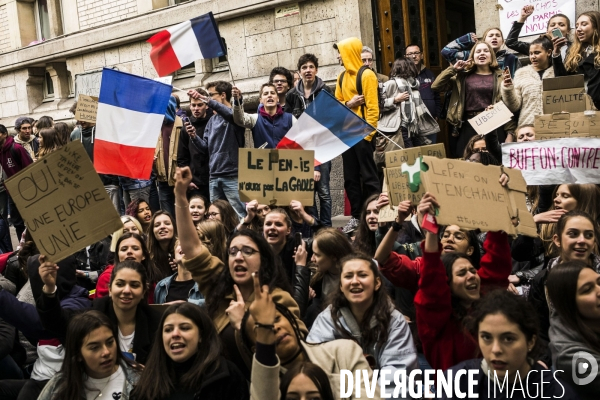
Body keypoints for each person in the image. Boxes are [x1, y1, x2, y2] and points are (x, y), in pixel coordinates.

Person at [173, 166, 305, 380]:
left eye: (248, 251)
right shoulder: (218, 284)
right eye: (233, 252)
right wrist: (180, 194)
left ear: (263, 260)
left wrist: (246, 324)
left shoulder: (279, 301)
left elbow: (295, 362)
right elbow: (192, 248)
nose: (239, 257)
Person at [245, 273, 383, 399]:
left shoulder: (344, 352)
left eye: (276, 319)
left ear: (291, 320)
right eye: (262, 329)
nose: (274, 328)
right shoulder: (265, 389)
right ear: (256, 350)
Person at [414, 192, 512, 371]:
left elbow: (496, 265)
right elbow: (432, 284)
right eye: (461, 273)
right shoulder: (436, 322)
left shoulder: (486, 303)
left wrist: (497, 206)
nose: (471, 276)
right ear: (447, 285)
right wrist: (430, 225)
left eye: (472, 271)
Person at [308, 254, 418, 386]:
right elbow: (318, 368)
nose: (355, 281)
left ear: (377, 283)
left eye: (362, 275)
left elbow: (397, 375)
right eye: (348, 276)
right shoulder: (327, 319)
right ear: (341, 286)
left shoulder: (394, 321)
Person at [443, 290, 575, 399]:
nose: (496, 350)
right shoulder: (458, 380)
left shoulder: (556, 393)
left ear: (530, 341)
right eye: (486, 337)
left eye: (508, 339)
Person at [37, 259, 162, 365]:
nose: (126, 290)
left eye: (134, 285)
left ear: (143, 292)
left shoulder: (156, 322)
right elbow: (56, 323)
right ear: (110, 289)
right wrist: (49, 287)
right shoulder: (96, 311)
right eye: (120, 284)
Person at [130, 303, 249, 400]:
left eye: (185, 328)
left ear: (201, 335)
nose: (175, 334)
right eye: (168, 330)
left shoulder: (226, 376)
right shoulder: (149, 381)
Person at [529, 211, 600, 348]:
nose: (582, 240)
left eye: (589, 235)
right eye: (573, 234)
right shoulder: (543, 279)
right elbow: (540, 330)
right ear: (557, 240)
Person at [433, 41, 515, 158]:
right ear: (472, 57)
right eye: (478, 51)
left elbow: (507, 105)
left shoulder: (501, 76)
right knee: (467, 159)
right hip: (469, 124)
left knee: (495, 160)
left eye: (486, 51)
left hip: (495, 123)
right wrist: (454, 69)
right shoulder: (462, 76)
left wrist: (510, 133)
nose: (482, 54)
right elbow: (436, 86)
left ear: (491, 55)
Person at [334, 37, 381, 233]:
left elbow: (373, 109)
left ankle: (376, 214)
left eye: (341, 53)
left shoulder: (367, 75)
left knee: (369, 177)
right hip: (347, 134)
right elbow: (336, 105)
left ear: (350, 53)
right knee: (350, 178)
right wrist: (349, 104)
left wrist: (368, 136)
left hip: (363, 134)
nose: (338, 58)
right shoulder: (342, 77)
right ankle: (355, 217)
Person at [36, 311, 139, 400]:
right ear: (78, 354)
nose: (106, 352)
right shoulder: (59, 385)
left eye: (110, 342)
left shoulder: (138, 381)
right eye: (94, 348)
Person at [285, 53, 333, 227]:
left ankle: (326, 227)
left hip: (322, 147)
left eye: (311, 67)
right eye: (304, 67)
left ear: (316, 70)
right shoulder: (292, 95)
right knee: (308, 191)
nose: (308, 70)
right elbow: (288, 120)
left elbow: (330, 118)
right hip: (302, 149)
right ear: (299, 71)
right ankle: (314, 225)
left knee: (324, 191)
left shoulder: (325, 91)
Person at [187, 82, 247, 219]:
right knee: (214, 216)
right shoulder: (211, 121)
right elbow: (204, 148)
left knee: (239, 214)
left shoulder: (235, 116)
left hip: (232, 175)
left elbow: (229, 113)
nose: (207, 99)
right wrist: (194, 136)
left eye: (211, 95)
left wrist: (205, 99)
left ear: (223, 95)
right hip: (214, 176)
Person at [547, 261, 600, 398]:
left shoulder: (592, 318)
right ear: (569, 303)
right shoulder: (571, 357)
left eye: (599, 282)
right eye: (587, 290)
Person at [303, 228, 353, 327]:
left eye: (317, 255)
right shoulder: (317, 278)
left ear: (333, 256)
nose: (312, 259)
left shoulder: (354, 279)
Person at [502, 36, 555, 130]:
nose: (533, 56)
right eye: (530, 53)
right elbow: (514, 106)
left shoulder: (557, 72)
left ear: (549, 52)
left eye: (537, 53)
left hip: (553, 126)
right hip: (527, 126)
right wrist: (508, 88)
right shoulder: (521, 73)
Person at [95, 232, 162, 304]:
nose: (129, 252)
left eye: (135, 248)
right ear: (118, 255)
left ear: (143, 255)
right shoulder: (107, 277)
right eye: (124, 249)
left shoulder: (152, 276)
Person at [553, 11, 600, 110]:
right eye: (577, 26)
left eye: (584, 24)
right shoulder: (574, 53)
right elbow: (562, 81)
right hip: (580, 109)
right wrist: (556, 52)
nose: (578, 29)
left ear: (596, 27)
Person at [232, 83, 296, 148]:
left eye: (272, 93)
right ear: (261, 100)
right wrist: (238, 100)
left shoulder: (290, 118)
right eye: (266, 94)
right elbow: (239, 119)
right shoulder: (255, 119)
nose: (269, 95)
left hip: (286, 157)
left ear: (278, 99)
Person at [442, 28, 521, 77]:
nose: (494, 37)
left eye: (497, 35)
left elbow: (520, 82)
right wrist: (467, 39)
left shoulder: (512, 59)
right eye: (490, 36)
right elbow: (446, 51)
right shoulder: (470, 56)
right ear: (484, 40)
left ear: (503, 42)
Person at [177, 87, 211, 201]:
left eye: (200, 105)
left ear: (206, 105)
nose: (196, 108)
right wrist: (188, 181)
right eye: (193, 105)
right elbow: (182, 157)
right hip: (195, 182)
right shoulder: (186, 127)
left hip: (213, 178)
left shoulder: (213, 122)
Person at [0, 124, 32, 239]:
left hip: (25, 192)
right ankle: (23, 250)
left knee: (32, 222)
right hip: (11, 193)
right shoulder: (1, 151)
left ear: (4, 134)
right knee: (18, 224)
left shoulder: (16, 148)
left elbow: (29, 168)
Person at [506, 5, 572, 59]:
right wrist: (522, 18)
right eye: (552, 25)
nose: (556, 27)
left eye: (561, 25)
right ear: (547, 30)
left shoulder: (575, 48)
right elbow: (511, 42)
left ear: (568, 30)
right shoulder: (538, 47)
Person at [154, 95, 183, 217]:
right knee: (167, 215)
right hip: (162, 179)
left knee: (181, 213)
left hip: (178, 178)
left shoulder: (183, 125)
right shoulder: (156, 127)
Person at [405, 43, 442, 123]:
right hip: (411, 123)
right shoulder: (403, 76)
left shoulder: (430, 74)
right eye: (410, 54)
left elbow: (437, 97)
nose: (414, 56)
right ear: (406, 57)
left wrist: (437, 115)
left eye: (416, 53)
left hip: (430, 121)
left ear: (421, 55)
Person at [146, 210, 177, 279]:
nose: (162, 227)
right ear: (152, 231)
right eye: (157, 225)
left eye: (167, 223)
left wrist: (182, 268)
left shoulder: (183, 252)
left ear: (174, 228)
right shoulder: (148, 258)